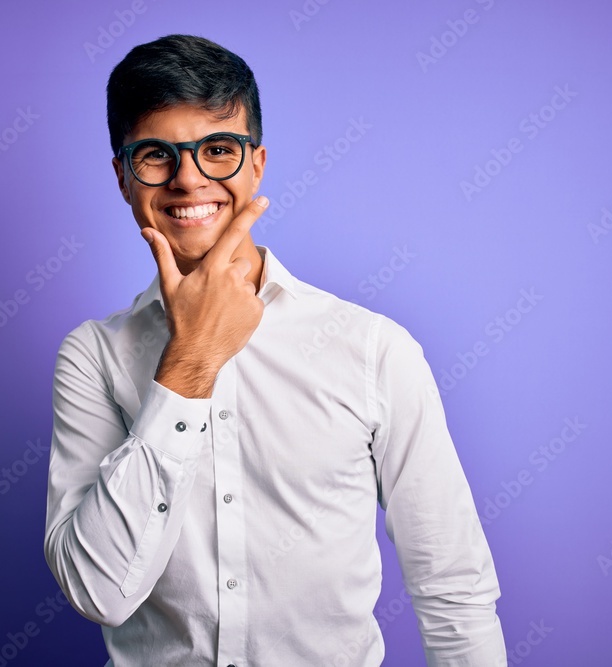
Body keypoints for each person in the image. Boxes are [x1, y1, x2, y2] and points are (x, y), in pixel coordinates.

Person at [44, 34, 507, 666]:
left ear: (257, 165)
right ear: (124, 178)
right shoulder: (93, 357)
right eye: (155, 155)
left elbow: (453, 587)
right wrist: (191, 361)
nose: (189, 178)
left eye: (218, 150)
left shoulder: (373, 349)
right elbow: (99, 591)